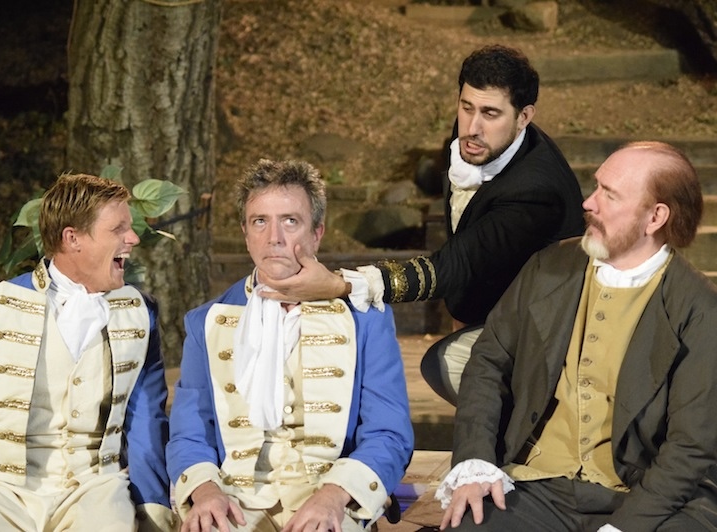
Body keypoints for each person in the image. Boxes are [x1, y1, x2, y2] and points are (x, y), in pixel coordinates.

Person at [260, 44, 584, 405]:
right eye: (466, 107)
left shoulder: (536, 191)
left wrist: (342, 285)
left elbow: (460, 261)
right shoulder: (477, 138)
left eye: (490, 113)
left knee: (444, 367)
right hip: (490, 300)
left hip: (543, 331)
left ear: (524, 117)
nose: (472, 127)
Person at [436, 141, 717, 531]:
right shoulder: (549, 268)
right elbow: (488, 363)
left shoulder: (699, 309)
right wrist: (475, 461)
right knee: (471, 523)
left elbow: (690, 446)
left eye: (609, 195)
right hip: (537, 485)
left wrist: (624, 527)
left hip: (646, 496)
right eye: (596, 186)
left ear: (655, 217)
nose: (589, 203)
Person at [166, 159, 414, 531]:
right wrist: (205, 492)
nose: (274, 238)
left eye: (290, 221)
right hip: (235, 499)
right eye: (259, 221)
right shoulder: (207, 322)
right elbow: (189, 433)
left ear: (317, 233)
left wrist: (334, 497)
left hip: (330, 498)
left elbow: (389, 433)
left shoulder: (365, 319)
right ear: (245, 232)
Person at [0, 174, 173, 531]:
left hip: (98, 490)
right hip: (6, 490)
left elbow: (146, 423)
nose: (133, 238)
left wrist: (153, 508)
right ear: (72, 238)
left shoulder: (139, 313)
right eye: (118, 229)